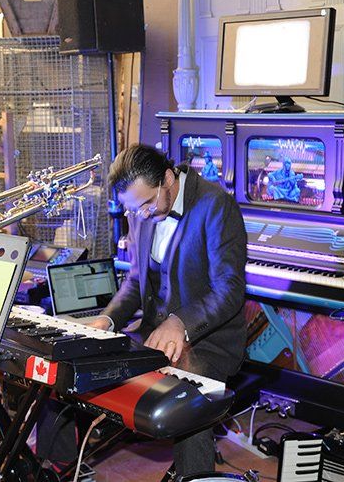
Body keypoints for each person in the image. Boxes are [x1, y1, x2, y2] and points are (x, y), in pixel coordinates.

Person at [90, 144, 248, 477]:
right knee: (76, 364)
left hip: (207, 339)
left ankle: (195, 475)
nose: (142, 214)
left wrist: (180, 324)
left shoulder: (216, 205)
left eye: (146, 203)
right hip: (152, 331)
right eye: (134, 209)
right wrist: (108, 318)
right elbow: (135, 281)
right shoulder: (141, 212)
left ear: (167, 178)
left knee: (188, 398)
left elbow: (229, 290)